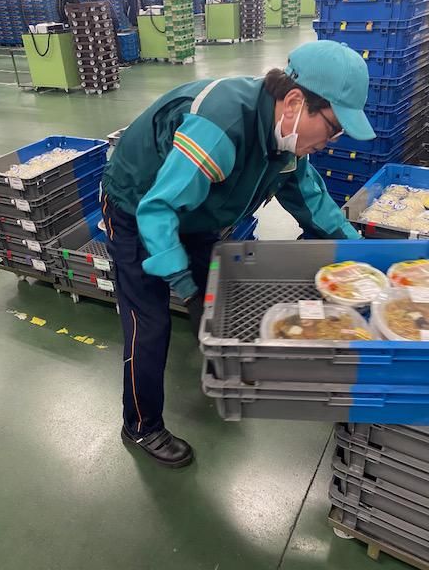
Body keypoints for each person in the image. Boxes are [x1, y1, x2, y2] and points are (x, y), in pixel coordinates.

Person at [101, 40, 376, 469]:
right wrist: (184, 286)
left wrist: (363, 258)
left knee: (218, 298)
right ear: (295, 102)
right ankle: (140, 424)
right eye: (334, 127)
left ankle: (220, 370)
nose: (331, 142)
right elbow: (159, 211)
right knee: (149, 323)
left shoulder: (285, 139)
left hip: (197, 210)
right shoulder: (220, 127)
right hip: (138, 206)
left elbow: (312, 200)